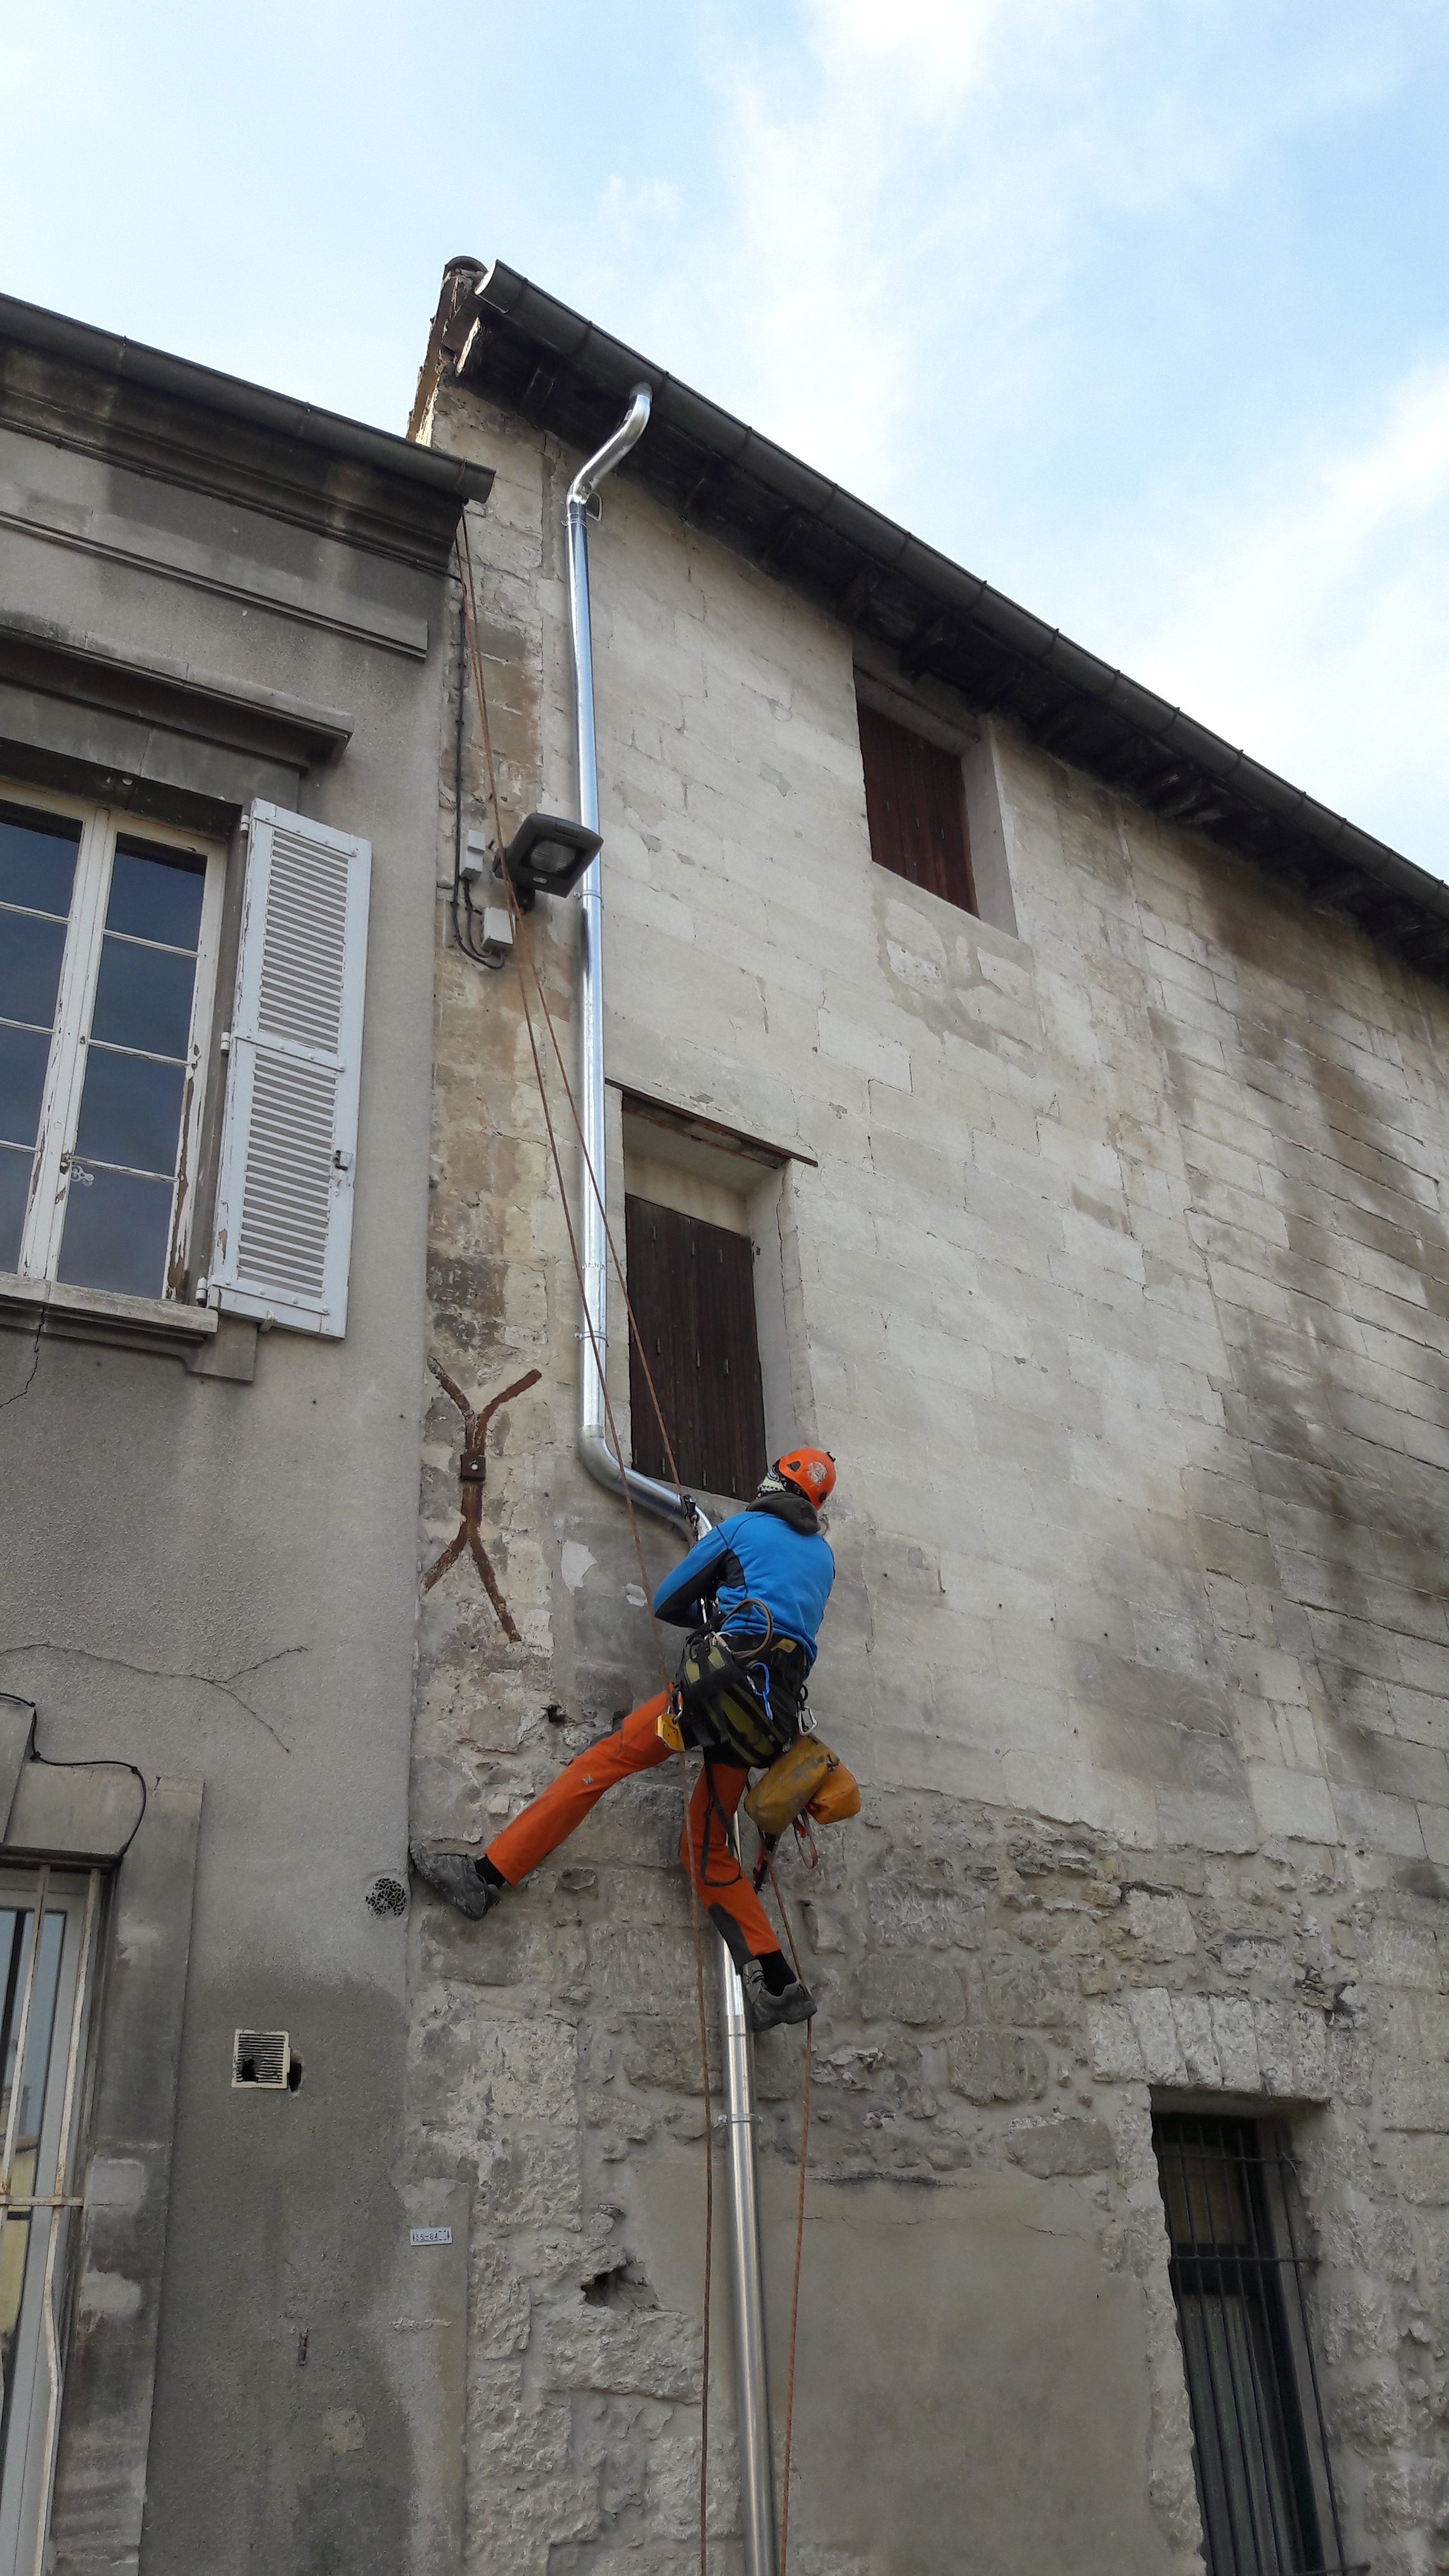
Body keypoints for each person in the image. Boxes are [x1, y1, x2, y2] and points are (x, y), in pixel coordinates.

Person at [411, 1447, 836, 2031]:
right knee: (708, 1848)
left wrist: (712, 1610)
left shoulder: (743, 1529)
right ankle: (778, 1985)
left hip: (715, 1692)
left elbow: (669, 1600)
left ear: (773, 1481)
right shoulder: (824, 1559)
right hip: (767, 1718)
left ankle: (485, 1878)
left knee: (605, 1762)